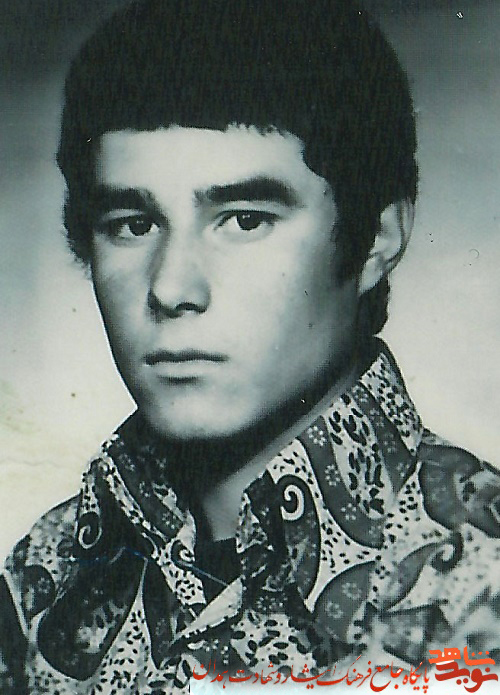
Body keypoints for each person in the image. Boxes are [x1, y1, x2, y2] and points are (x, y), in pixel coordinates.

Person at [1, 0, 498, 692]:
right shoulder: (40, 580)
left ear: (375, 240)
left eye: (243, 220)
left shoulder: (482, 587)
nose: (171, 287)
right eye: (134, 224)